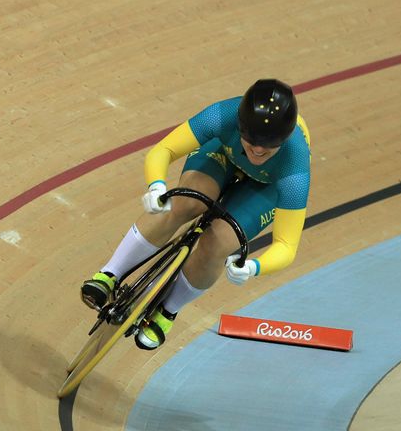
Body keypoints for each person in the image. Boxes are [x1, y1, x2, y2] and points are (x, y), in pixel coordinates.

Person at [81, 79, 311, 350]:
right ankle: (110, 273)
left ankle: (168, 310)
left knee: (220, 242)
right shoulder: (223, 115)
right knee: (185, 202)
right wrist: (156, 186)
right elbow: (164, 150)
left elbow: (286, 246)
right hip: (225, 154)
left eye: (268, 147)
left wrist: (254, 267)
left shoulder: (294, 168)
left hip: (268, 184)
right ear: (240, 126)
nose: (258, 151)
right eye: (251, 142)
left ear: (283, 141)